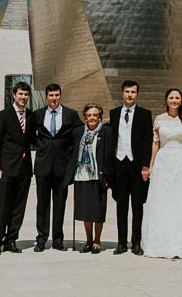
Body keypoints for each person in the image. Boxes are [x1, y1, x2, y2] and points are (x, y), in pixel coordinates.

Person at [140, 88, 182, 258]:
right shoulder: (159, 119)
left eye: (177, 98)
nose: (174, 100)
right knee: (163, 201)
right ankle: (162, 240)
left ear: (181, 100)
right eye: (171, 97)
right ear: (166, 100)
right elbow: (155, 144)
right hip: (163, 163)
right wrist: (150, 166)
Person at [33, 83, 81, 251]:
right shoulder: (37, 115)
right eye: (51, 95)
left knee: (60, 204)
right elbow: (32, 136)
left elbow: (79, 135)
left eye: (57, 95)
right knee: (42, 204)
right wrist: (42, 149)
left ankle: (58, 239)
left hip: (62, 167)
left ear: (61, 96)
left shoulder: (71, 114)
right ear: (46, 97)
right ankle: (41, 238)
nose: (54, 98)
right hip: (43, 166)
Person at [0, 81, 37, 255]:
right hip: (7, 168)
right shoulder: (3, 115)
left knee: (19, 206)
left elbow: (33, 140)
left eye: (26, 95)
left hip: (25, 169)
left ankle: (11, 239)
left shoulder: (31, 116)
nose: (23, 98)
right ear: (14, 95)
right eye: (20, 94)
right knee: (3, 205)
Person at [107, 79, 153, 255]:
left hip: (136, 165)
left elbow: (148, 141)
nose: (130, 95)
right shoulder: (114, 113)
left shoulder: (144, 114)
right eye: (127, 91)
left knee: (137, 206)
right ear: (122, 93)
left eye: (133, 92)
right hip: (119, 165)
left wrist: (145, 166)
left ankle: (136, 242)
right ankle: (121, 242)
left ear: (137, 94)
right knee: (121, 205)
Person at [71, 103, 112, 253]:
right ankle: (88, 240)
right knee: (85, 211)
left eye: (95, 115)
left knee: (98, 211)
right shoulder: (78, 133)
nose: (92, 117)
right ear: (85, 117)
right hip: (82, 175)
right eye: (89, 115)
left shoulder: (106, 132)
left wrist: (108, 175)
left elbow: (109, 155)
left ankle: (97, 240)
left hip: (98, 176)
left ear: (100, 116)